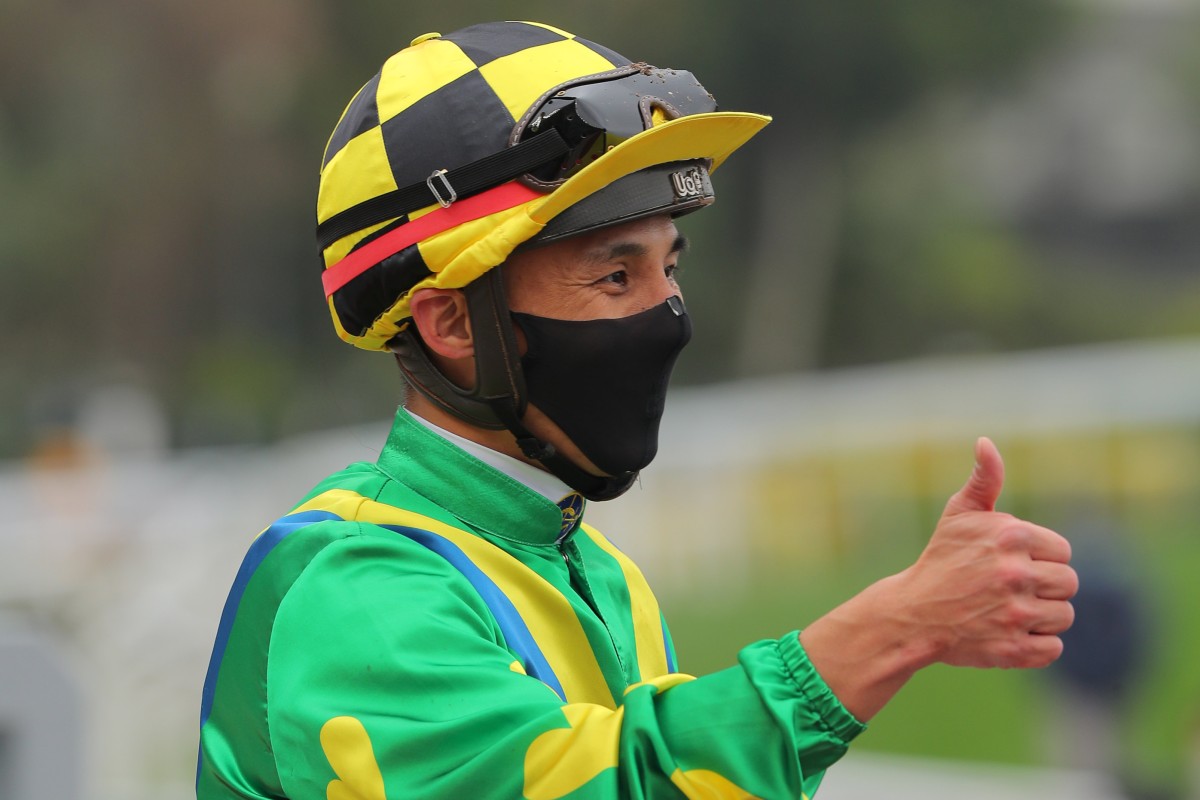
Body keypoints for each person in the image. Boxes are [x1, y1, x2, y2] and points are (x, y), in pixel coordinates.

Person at [196, 21, 1078, 799]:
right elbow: (614, 784)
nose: (669, 317)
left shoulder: (600, 574)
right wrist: (894, 627)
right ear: (453, 321)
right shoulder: (352, 584)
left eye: (672, 268)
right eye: (617, 276)